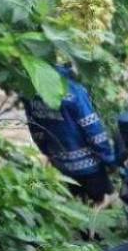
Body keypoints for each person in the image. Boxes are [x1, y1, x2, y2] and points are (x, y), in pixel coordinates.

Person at [24, 64, 116, 203]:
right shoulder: (74, 91)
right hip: (90, 166)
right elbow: (93, 129)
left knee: (77, 205)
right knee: (102, 206)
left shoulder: (31, 93)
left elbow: (35, 130)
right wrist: (109, 159)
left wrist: (49, 154)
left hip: (61, 165)